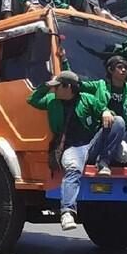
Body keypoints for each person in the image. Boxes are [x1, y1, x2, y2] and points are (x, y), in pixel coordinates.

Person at [26, 70, 106, 231]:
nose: (54, 89)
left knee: (117, 122)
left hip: (91, 144)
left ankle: (106, 161)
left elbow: (104, 109)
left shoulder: (87, 99)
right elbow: (32, 100)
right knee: (73, 169)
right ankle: (67, 212)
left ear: (68, 87)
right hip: (71, 147)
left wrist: (106, 112)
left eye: (57, 86)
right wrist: (46, 85)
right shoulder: (51, 100)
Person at [80, 56, 127, 173]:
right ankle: (103, 161)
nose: (124, 70)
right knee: (119, 122)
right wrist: (64, 62)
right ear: (111, 70)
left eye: (126, 68)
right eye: (120, 67)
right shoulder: (100, 85)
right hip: (105, 133)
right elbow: (77, 85)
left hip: (126, 134)